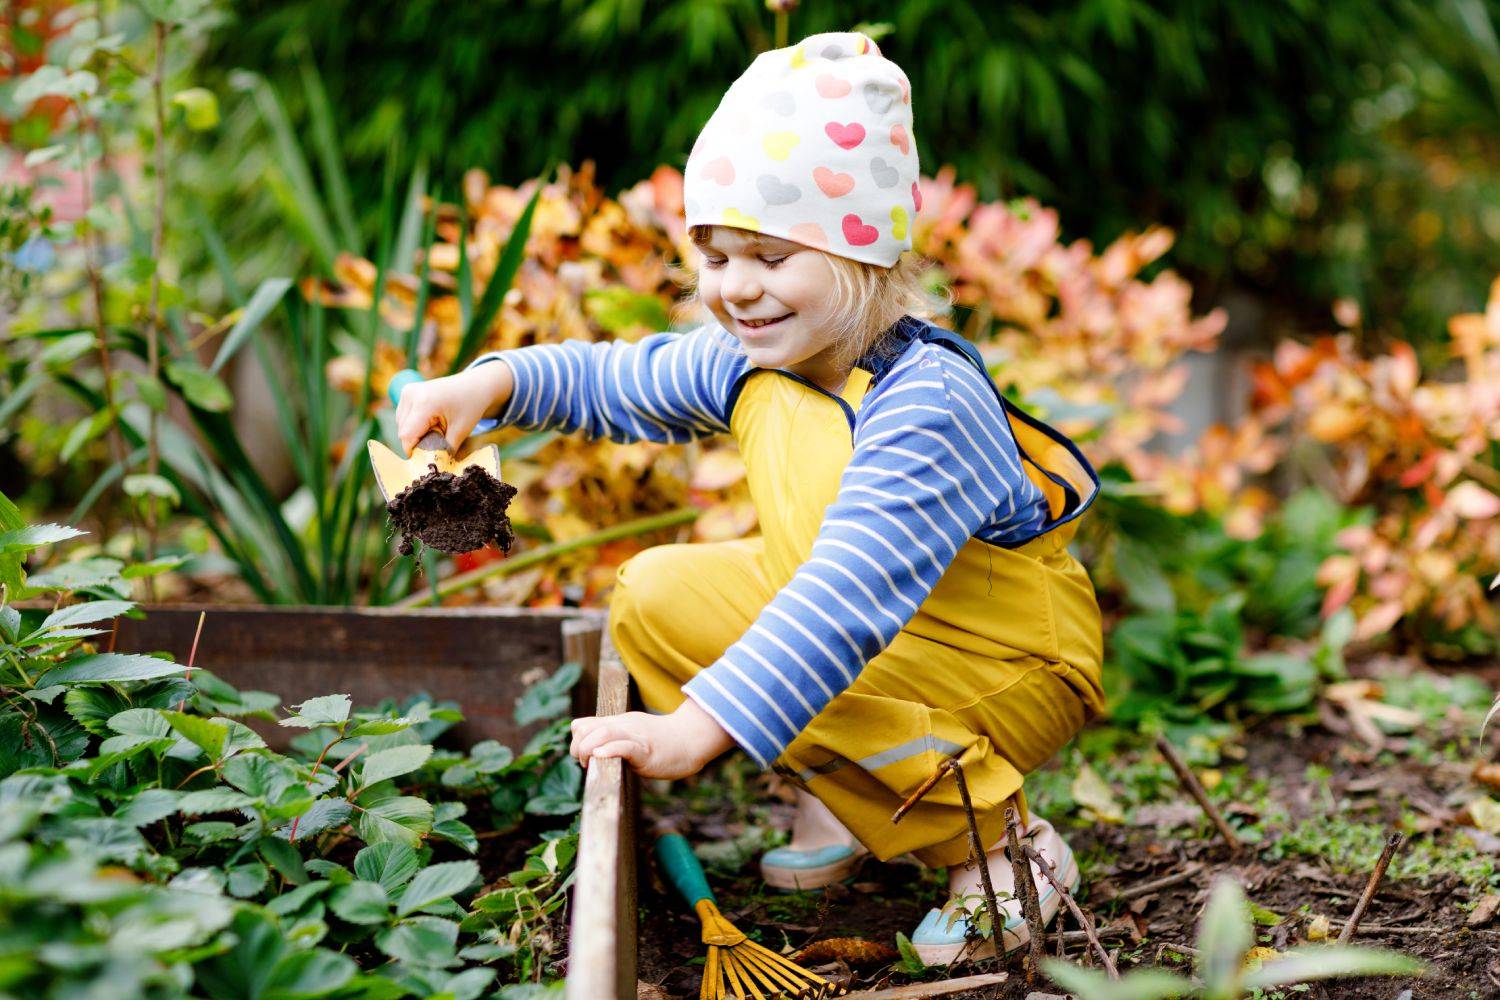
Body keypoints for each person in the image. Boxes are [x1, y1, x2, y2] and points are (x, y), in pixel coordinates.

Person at [395, 30, 1104, 964]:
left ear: (868, 258)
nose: (736, 289)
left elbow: (843, 600)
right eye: (718, 255)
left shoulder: (926, 399)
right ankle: (855, 800)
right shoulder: (766, 356)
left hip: (1005, 661)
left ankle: (1005, 851)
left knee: (800, 671)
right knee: (652, 597)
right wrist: (489, 387)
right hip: (888, 633)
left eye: (771, 256)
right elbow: (621, 380)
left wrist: (696, 730)